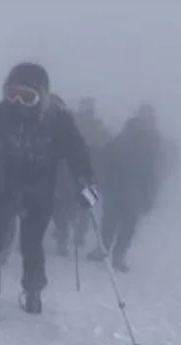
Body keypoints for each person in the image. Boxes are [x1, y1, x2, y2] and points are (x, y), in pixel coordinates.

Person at [0, 62, 100, 317]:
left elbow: (77, 153)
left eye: (27, 97)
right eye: (11, 94)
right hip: (3, 184)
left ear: (42, 96)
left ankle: (33, 289)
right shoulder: (1, 115)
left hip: (38, 190)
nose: (17, 102)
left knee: (31, 244)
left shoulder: (58, 121)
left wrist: (85, 180)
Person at [88, 102, 161, 272]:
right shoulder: (127, 143)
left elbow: (149, 174)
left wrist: (149, 195)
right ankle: (111, 253)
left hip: (125, 191)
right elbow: (149, 175)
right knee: (117, 224)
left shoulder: (131, 143)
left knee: (119, 224)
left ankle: (112, 253)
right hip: (121, 191)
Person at [51, 96, 112, 256]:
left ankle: (75, 235)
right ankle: (65, 238)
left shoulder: (96, 127)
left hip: (82, 171)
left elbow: (105, 150)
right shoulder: (72, 122)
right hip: (64, 172)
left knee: (79, 207)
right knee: (64, 207)